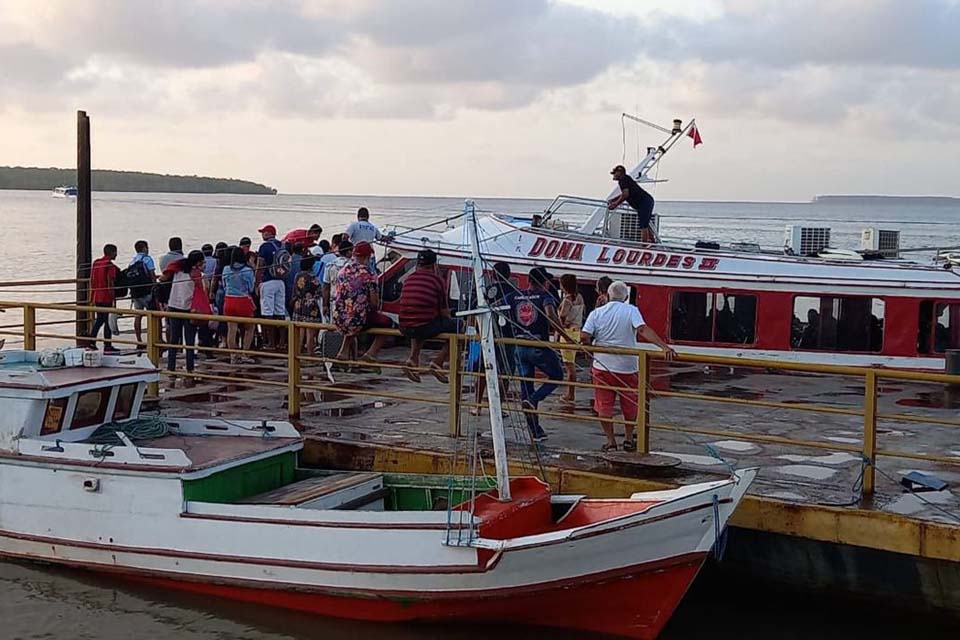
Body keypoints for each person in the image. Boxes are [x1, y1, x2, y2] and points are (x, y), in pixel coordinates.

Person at [581, 280, 675, 452]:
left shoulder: (597, 313)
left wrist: (591, 348)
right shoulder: (631, 310)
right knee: (630, 404)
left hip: (602, 366)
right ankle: (629, 437)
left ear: (608, 295)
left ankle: (610, 441)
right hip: (628, 367)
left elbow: (584, 336)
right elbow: (642, 330)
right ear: (626, 297)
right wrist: (664, 346)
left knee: (604, 405)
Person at [508, 267, 574, 441]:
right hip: (539, 346)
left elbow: (496, 307)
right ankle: (535, 399)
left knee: (526, 387)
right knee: (557, 376)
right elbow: (551, 316)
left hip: (518, 346)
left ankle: (535, 431)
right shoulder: (545, 297)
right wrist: (566, 337)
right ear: (544, 282)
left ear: (529, 280)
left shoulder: (514, 296)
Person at [397, 249, 457, 384]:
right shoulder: (437, 281)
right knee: (458, 327)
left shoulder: (409, 279)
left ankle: (413, 359)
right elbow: (443, 312)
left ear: (418, 263)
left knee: (420, 320)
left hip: (404, 326)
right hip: (423, 326)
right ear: (434, 265)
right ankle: (438, 362)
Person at [331, 242, 392, 366]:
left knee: (352, 316)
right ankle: (371, 354)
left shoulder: (342, 271)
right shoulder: (368, 274)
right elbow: (374, 302)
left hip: (338, 318)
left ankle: (343, 352)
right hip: (357, 320)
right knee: (388, 323)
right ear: (368, 256)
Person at [165, 250, 206, 386]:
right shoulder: (196, 274)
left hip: (173, 305)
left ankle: (171, 367)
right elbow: (201, 292)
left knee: (173, 340)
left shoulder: (178, 270)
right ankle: (190, 368)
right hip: (188, 309)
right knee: (189, 341)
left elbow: (166, 274)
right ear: (198, 262)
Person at [221, 246, 257, 364]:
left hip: (229, 300)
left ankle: (233, 356)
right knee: (249, 328)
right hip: (243, 300)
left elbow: (224, 285)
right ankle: (245, 353)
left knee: (231, 329)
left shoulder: (226, 269)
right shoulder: (247, 270)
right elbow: (251, 288)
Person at [607, 165, 657, 243]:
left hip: (644, 202)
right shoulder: (626, 179)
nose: (614, 175)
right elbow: (625, 194)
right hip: (646, 201)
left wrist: (615, 204)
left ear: (620, 172)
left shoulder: (623, 180)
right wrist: (613, 200)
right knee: (645, 222)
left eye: (615, 173)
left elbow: (625, 195)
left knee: (643, 223)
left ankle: (645, 243)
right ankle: (651, 241)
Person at [256, 224, 286, 350]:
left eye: (263, 232)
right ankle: (283, 342)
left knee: (267, 312)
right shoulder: (282, 245)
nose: (262, 234)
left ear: (268, 233)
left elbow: (260, 266)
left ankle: (271, 343)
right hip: (280, 281)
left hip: (268, 282)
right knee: (280, 312)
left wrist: (257, 282)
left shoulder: (264, 247)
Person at [557, 273, 585, 404]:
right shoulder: (579, 297)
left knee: (569, 366)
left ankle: (570, 394)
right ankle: (570, 393)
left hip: (568, 332)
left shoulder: (567, 300)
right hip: (577, 331)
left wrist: (561, 322)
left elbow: (562, 315)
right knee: (571, 364)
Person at [88, 244, 121, 352]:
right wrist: (113, 298)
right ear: (112, 253)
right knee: (107, 321)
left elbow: (92, 280)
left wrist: (91, 296)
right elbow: (110, 282)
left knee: (100, 320)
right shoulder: (110, 266)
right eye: (115, 252)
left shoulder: (96, 263)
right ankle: (107, 345)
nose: (116, 254)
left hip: (97, 295)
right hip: (106, 296)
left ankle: (91, 341)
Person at [290, 254, 322, 355]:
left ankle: (297, 355)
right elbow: (319, 291)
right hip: (310, 305)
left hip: (298, 304)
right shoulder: (312, 277)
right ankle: (310, 354)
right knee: (310, 333)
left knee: (300, 332)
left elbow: (294, 290)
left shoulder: (297, 275)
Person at [128, 240, 157, 345]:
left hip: (136, 292)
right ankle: (153, 339)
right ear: (144, 248)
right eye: (147, 247)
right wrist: (155, 286)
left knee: (138, 315)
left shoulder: (133, 261)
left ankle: (139, 340)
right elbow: (152, 274)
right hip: (147, 291)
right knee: (152, 315)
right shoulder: (147, 259)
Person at [322, 240, 353, 316]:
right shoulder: (353, 266)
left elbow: (326, 287)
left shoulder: (330, 265)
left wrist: (325, 305)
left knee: (333, 325)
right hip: (349, 303)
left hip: (334, 302)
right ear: (348, 252)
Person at [345, 208, 381, 272]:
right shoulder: (373, 227)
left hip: (357, 255)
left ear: (358, 216)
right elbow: (380, 238)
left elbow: (345, 237)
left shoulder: (354, 225)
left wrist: (346, 249)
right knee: (370, 274)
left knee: (355, 273)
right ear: (368, 217)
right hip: (369, 256)